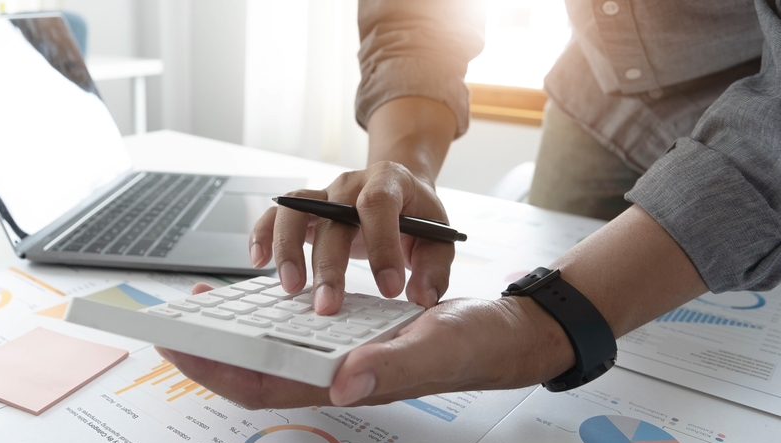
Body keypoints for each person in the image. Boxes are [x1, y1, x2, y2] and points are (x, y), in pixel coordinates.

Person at [157, 0, 781, 409]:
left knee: (736, 362)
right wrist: (400, 166)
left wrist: (541, 325)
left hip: (761, 98)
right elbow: (416, 16)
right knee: (593, 381)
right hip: (598, 98)